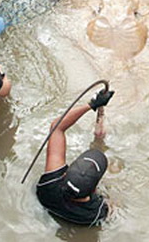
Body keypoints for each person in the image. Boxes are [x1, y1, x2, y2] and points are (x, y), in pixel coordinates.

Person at [36, 89, 115, 226]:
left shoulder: (48, 186)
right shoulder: (97, 212)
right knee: (116, 171)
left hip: (52, 205)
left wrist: (91, 105)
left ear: (65, 174)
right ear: (95, 189)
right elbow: (112, 211)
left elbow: (56, 127)